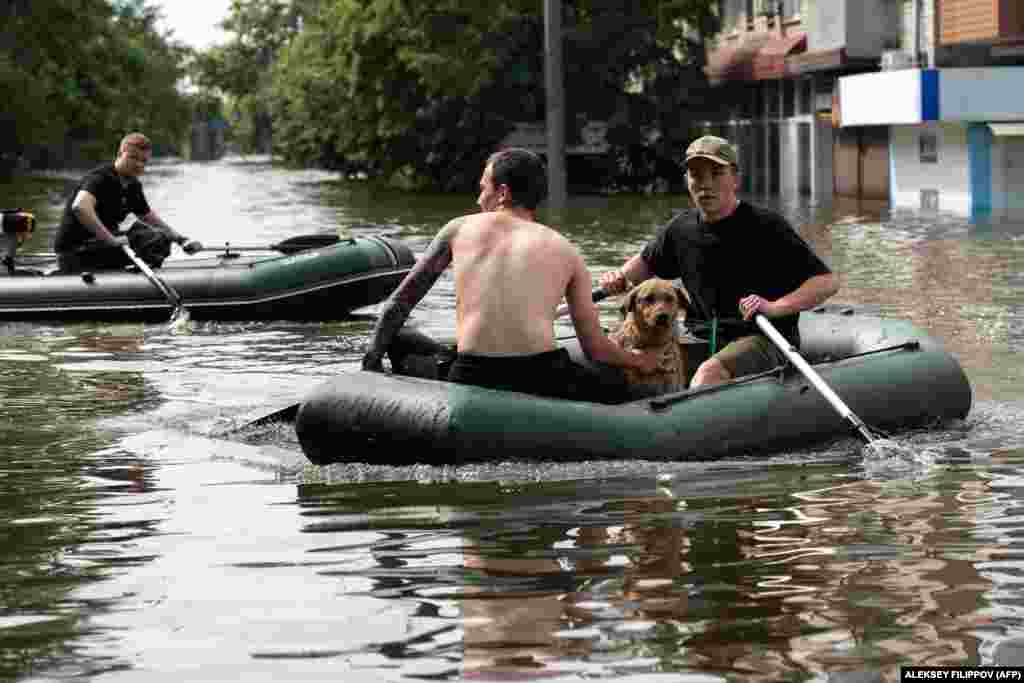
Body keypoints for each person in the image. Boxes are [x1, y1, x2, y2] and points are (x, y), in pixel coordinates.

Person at [362, 147, 659, 401]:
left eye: (483, 189)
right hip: (544, 378)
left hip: (472, 375)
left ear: (502, 192)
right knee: (616, 380)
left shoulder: (458, 228)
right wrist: (639, 361)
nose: (479, 200)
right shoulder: (566, 250)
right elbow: (595, 348)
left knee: (399, 337)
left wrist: (372, 362)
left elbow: (397, 306)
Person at [599, 134, 839, 388]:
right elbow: (636, 270)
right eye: (697, 175)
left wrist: (774, 307)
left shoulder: (768, 226)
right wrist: (617, 278)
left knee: (708, 373)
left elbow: (826, 282)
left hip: (760, 337)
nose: (705, 184)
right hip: (701, 337)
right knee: (625, 356)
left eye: (716, 174)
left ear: (735, 179)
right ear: (686, 181)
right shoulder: (680, 229)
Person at [53, 132, 202, 273]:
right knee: (150, 239)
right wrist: (111, 240)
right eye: (133, 157)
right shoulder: (101, 178)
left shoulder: (133, 185)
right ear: (120, 154)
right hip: (76, 252)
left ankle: (137, 275)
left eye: (143, 161)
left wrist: (181, 240)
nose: (138, 164)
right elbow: (80, 207)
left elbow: (149, 217)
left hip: (100, 246)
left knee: (159, 237)